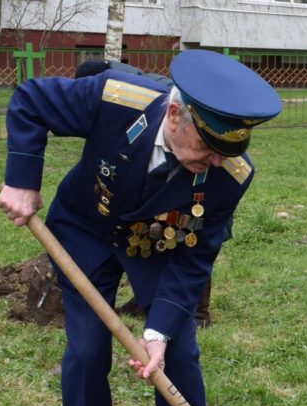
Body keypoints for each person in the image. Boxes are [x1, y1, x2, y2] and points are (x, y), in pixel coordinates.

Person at [0, 49, 280, 406]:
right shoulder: (117, 99)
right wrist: (21, 180)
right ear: (174, 115)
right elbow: (30, 100)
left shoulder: (231, 174)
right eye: (207, 148)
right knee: (86, 353)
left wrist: (158, 332)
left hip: (156, 250)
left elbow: (195, 259)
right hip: (85, 232)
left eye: (223, 153)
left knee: (180, 356)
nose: (213, 162)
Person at [72, 59, 222, 328]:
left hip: (200, 180)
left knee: (190, 236)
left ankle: (198, 313)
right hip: (181, 168)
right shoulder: (129, 80)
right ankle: (145, 300)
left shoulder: (137, 95)